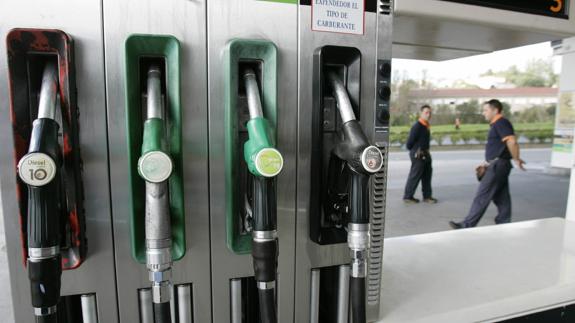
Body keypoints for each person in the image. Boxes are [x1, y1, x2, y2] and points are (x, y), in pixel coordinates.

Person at [449, 99, 525, 229]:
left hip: (498, 166)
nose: (483, 113)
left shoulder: (501, 122)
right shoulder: (497, 124)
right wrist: (486, 162)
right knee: (501, 196)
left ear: (495, 110)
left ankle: (467, 225)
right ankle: (504, 222)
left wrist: (516, 158)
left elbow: (511, 142)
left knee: (482, 195)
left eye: (486, 110)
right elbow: (499, 147)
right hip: (498, 164)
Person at [403, 105, 437, 204]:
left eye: (430, 112)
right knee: (415, 176)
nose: (428, 114)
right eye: (426, 112)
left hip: (426, 154)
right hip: (418, 155)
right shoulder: (417, 126)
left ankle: (427, 196)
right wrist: (416, 150)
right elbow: (409, 144)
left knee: (427, 176)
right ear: (421, 113)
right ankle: (408, 197)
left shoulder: (426, 125)